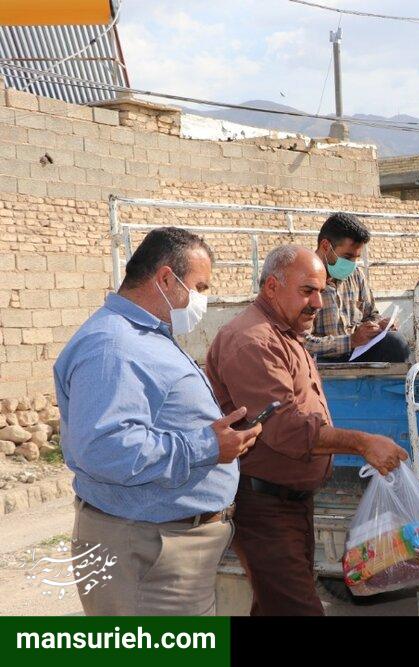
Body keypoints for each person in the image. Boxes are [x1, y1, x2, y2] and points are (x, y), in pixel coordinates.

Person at [54, 227, 261, 615]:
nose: (203, 298)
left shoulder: (146, 335)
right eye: (200, 286)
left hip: (164, 547)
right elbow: (105, 448)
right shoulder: (114, 346)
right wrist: (208, 446)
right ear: (166, 279)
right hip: (146, 551)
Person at [205, 245, 409, 615]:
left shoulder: (286, 332)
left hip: (292, 503)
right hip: (265, 508)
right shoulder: (252, 341)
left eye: (320, 291)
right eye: (307, 291)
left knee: (275, 607)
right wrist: (362, 443)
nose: (318, 302)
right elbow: (286, 428)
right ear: (271, 287)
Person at [304, 212, 410, 363]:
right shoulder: (303, 280)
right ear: (326, 246)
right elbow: (302, 342)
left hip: (357, 352)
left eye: (356, 258)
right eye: (347, 257)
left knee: (395, 343)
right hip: (321, 361)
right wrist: (350, 341)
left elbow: (371, 314)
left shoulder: (355, 275)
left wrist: (379, 325)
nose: (351, 264)